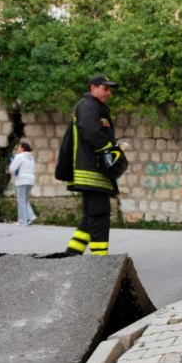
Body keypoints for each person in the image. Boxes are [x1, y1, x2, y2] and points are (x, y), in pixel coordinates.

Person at [65, 74, 126, 257]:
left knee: (91, 215)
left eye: (109, 89)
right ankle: (99, 260)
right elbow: (92, 133)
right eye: (105, 88)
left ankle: (72, 253)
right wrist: (111, 152)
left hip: (94, 170)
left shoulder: (94, 107)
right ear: (93, 88)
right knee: (100, 214)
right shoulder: (87, 106)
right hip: (92, 172)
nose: (109, 93)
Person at [9, 139, 36, 226]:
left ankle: (22, 221)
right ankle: (31, 216)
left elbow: (12, 168)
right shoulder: (31, 158)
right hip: (31, 180)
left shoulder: (19, 156)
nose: (18, 149)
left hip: (22, 180)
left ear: (23, 148)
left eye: (19, 147)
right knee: (25, 200)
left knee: (21, 201)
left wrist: (15, 172)